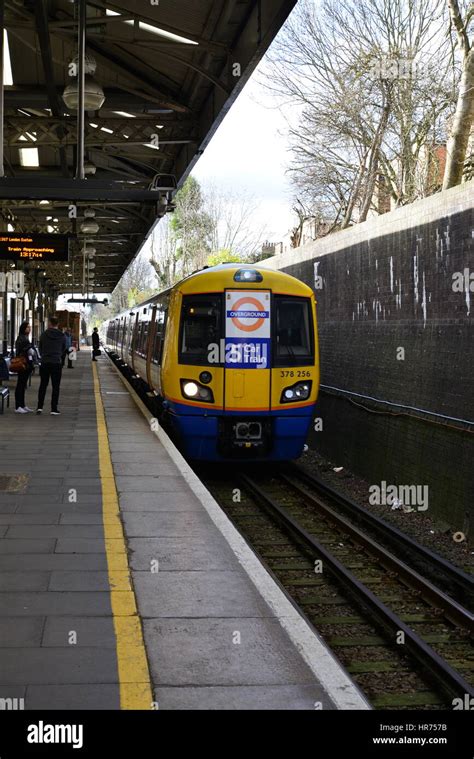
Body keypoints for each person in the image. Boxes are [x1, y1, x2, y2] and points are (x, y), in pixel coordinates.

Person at [36, 316, 66, 416]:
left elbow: (40, 348)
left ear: (49, 323)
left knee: (43, 385)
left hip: (45, 362)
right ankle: (54, 408)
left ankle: (39, 407)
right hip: (56, 363)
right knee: (55, 386)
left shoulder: (44, 335)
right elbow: (63, 349)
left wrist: (45, 355)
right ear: (57, 324)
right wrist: (57, 355)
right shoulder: (62, 335)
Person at [14, 321, 35, 414]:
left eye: (29, 327)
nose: (29, 329)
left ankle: (22, 405)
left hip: (26, 364)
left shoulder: (25, 338)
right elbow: (26, 351)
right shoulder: (21, 338)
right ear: (23, 329)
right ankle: (18, 406)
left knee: (23, 385)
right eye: (27, 327)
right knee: (20, 385)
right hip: (22, 364)